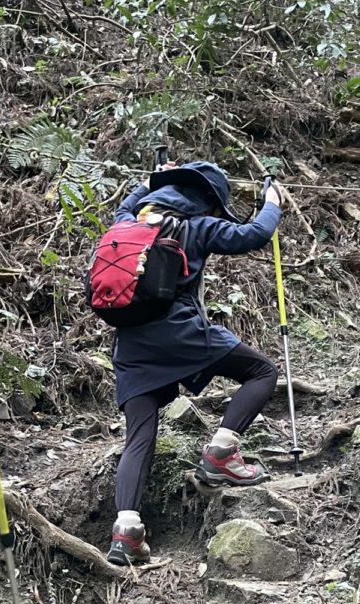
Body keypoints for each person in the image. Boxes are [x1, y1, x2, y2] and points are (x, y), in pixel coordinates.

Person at [106, 161, 285, 566]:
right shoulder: (194, 227)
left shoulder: (126, 223)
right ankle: (221, 452)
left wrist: (152, 178)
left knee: (139, 436)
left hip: (131, 346)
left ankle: (126, 533)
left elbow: (131, 200)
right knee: (262, 372)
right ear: (206, 202)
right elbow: (254, 234)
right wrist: (271, 202)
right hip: (180, 332)